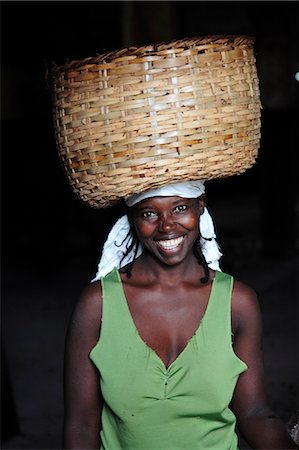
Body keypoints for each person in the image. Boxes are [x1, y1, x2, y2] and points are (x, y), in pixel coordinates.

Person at [62, 180, 297, 450]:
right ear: (133, 218)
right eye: (149, 213)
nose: (166, 226)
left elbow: (253, 413)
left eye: (180, 208)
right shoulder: (98, 304)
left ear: (201, 206)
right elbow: (81, 426)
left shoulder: (236, 302)